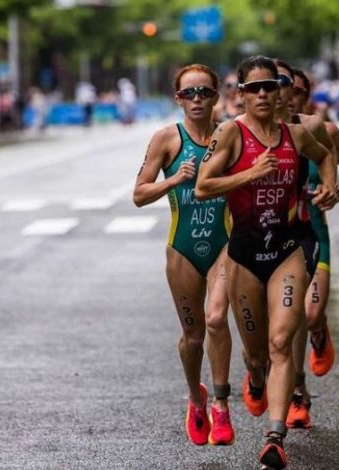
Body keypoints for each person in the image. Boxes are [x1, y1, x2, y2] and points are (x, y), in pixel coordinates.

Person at [195, 55, 337, 470]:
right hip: (243, 255)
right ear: (241, 94)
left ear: (281, 92)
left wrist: (328, 186)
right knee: (256, 355)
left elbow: (326, 155)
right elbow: (204, 186)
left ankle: (275, 438)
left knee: (280, 342)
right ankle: (255, 381)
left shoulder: (296, 135)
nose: (262, 94)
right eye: (253, 88)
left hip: (287, 252)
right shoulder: (230, 133)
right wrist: (250, 175)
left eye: (269, 87)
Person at [132, 64, 235, 447]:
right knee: (192, 338)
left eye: (204, 92)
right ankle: (197, 399)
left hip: (225, 241)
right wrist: (174, 179)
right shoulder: (167, 139)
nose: (197, 100)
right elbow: (139, 194)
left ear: (215, 97)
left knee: (216, 318)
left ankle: (222, 408)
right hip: (183, 247)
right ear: (178, 99)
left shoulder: (229, 135)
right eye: (188, 93)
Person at [286, 67, 339, 429]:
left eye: (297, 90)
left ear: (307, 94)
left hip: (314, 235)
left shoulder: (324, 132)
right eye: (281, 87)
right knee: (286, 325)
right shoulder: (256, 134)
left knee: (311, 315)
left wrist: (335, 195)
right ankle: (297, 394)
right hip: (274, 242)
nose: (289, 95)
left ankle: (320, 332)